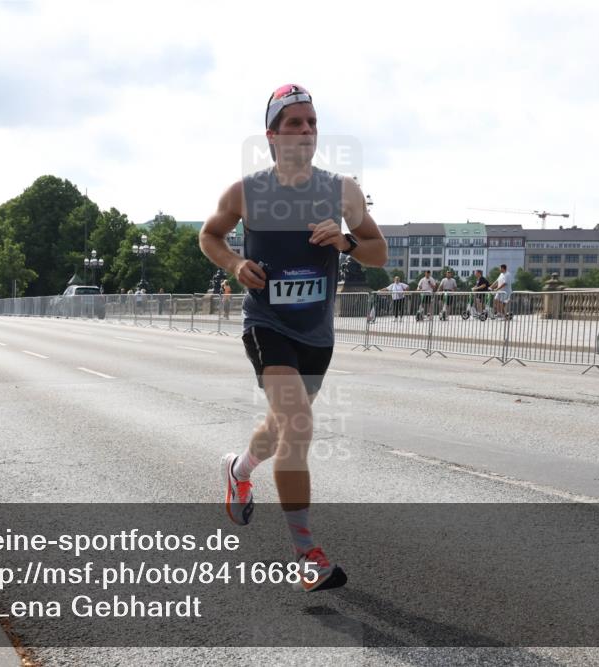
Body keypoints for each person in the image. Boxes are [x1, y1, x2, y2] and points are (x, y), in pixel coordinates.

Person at [199, 83, 387, 592]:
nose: (306, 131)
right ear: (272, 136)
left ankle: (238, 468)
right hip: (267, 325)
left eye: (311, 122)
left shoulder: (341, 191)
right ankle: (307, 555)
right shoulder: (247, 192)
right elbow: (209, 235)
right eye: (294, 123)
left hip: (316, 333)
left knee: (281, 426)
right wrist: (236, 263)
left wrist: (346, 242)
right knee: (298, 425)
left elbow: (379, 252)